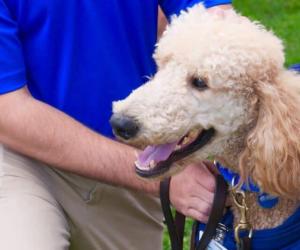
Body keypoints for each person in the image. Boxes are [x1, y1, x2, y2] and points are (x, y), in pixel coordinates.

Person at [0, 1, 232, 249]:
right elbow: (9, 113)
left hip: (135, 150)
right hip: (21, 159)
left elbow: (219, 26)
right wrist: (164, 176)